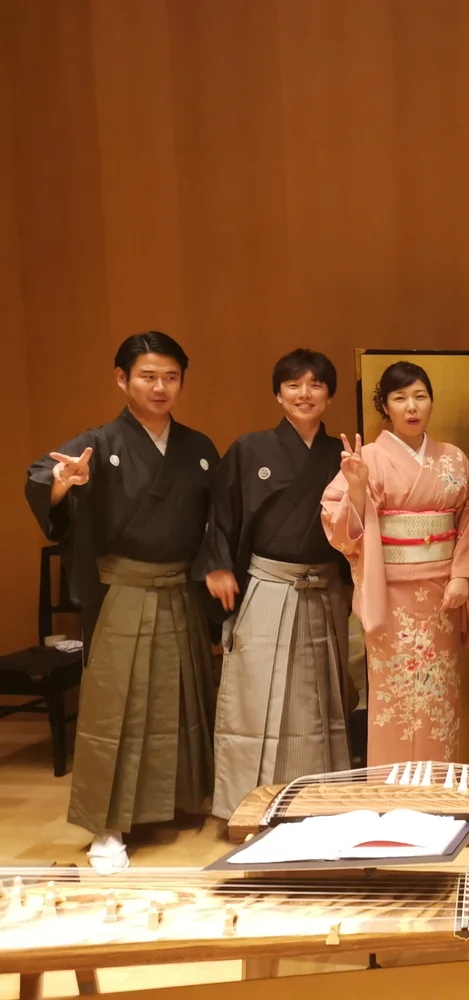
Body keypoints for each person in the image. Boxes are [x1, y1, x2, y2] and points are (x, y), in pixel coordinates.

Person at [25, 332, 218, 872]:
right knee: (119, 709)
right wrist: (65, 484)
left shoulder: (199, 448)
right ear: (121, 379)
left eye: (171, 377)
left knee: (181, 701)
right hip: (124, 593)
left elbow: (219, 522)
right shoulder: (99, 442)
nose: (160, 387)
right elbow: (44, 480)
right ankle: (105, 827)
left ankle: (176, 802)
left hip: (181, 590)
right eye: (147, 376)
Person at [193, 349, 351, 819]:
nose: (305, 394)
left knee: (324, 695)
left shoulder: (342, 455)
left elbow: (357, 523)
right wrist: (218, 564)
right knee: (254, 694)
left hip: (324, 587)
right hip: (268, 584)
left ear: (329, 394)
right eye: (293, 385)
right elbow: (220, 513)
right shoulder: (249, 449)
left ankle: (320, 801)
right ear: (277, 393)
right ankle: (247, 802)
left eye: (316, 385)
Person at [321, 361, 469, 766]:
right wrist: (356, 488)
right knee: (393, 695)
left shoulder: (453, 460)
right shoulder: (370, 458)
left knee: (438, 693)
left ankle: (438, 788)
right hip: (390, 595)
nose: (411, 407)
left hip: (443, 595)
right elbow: (338, 527)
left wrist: (462, 575)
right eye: (400, 398)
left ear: (431, 402)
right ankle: (390, 790)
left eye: (420, 396)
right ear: (385, 406)